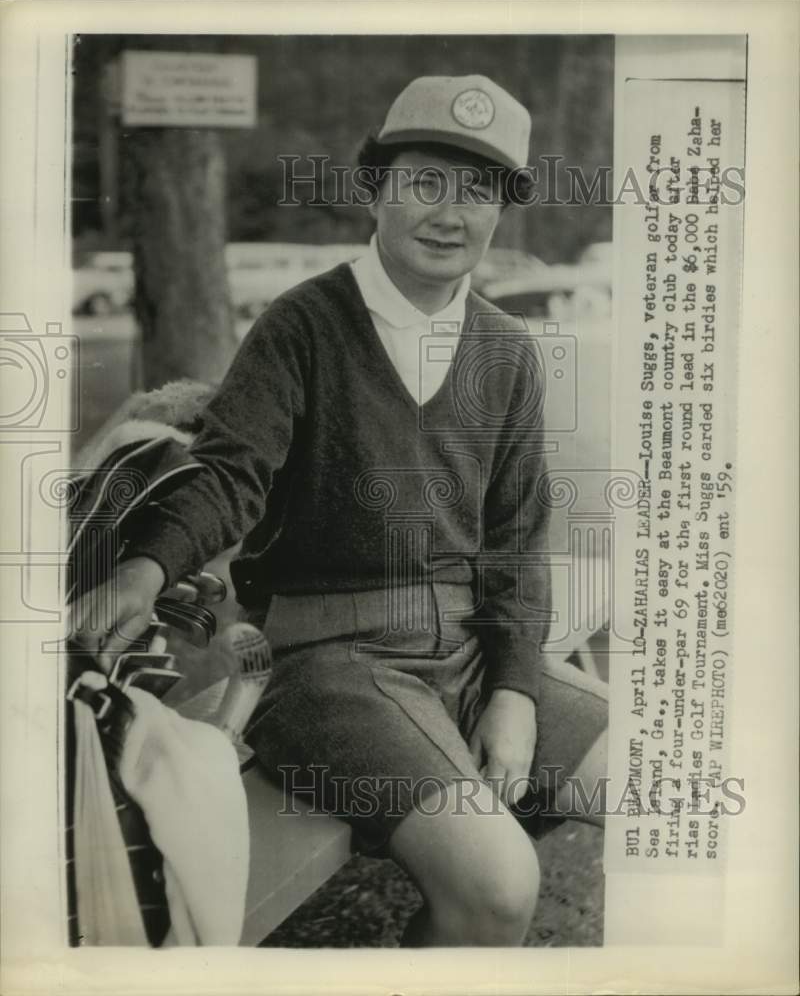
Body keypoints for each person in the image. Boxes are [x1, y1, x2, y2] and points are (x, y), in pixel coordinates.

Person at [71, 74, 608, 947]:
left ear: (503, 212)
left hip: (469, 652)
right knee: (501, 887)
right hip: (330, 664)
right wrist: (143, 569)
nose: (449, 213)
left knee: (676, 794)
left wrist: (512, 691)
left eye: (478, 191)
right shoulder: (302, 325)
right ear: (374, 187)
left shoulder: (509, 352)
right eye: (425, 182)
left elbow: (516, 543)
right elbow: (228, 473)